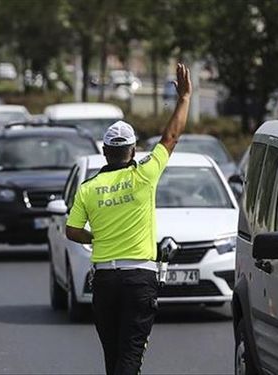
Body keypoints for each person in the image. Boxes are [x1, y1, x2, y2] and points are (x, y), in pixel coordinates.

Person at [65, 63, 192, 375]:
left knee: (113, 358)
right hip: (139, 281)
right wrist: (184, 98)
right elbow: (171, 136)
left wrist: (95, 237)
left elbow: (71, 230)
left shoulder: (88, 188)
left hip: (105, 281)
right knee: (130, 357)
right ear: (133, 151)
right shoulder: (145, 174)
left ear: (105, 152)